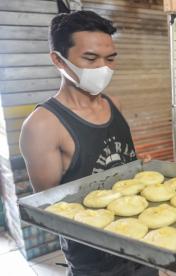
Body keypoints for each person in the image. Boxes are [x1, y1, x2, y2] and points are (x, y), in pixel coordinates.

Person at [20, 11, 155, 276]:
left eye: (110, 59)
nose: (103, 68)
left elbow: (116, 162)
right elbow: (52, 211)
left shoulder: (113, 104)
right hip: (96, 262)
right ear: (58, 60)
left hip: (144, 242)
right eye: (90, 58)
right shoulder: (42, 126)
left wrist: (138, 169)